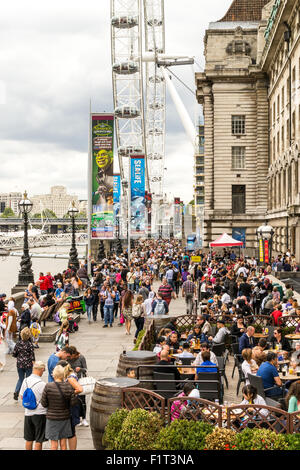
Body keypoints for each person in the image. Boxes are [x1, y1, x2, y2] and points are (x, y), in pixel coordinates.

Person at [41, 365, 78, 451]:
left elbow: (44, 404)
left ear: (54, 375)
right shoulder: (68, 386)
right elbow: (73, 403)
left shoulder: (48, 386)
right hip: (65, 418)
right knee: (63, 444)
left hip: (52, 418)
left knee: (54, 445)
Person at [19, 361, 47, 450]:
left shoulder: (25, 380)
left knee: (29, 439)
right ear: (42, 369)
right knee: (39, 439)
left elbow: (22, 396)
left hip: (28, 413)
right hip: (40, 414)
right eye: (44, 370)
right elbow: (46, 400)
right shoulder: (42, 384)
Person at [57, 361, 83, 450]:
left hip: (71, 407)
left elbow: (80, 389)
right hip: (70, 405)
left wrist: (70, 393)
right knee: (70, 431)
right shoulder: (69, 375)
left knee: (71, 431)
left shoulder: (70, 378)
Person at [67, 346, 89, 427]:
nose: (70, 357)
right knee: (74, 401)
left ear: (74, 354)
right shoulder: (67, 358)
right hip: (71, 381)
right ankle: (77, 418)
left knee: (82, 400)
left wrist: (80, 369)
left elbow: (85, 369)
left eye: (71, 356)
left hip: (80, 381)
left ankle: (84, 418)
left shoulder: (81, 357)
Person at [12, 327, 35, 401]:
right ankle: (26, 395)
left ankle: (16, 391)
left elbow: (14, 354)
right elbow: (32, 356)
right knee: (28, 380)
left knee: (21, 379)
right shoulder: (30, 344)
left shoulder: (18, 343)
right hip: (28, 364)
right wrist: (33, 363)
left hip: (20, 364)